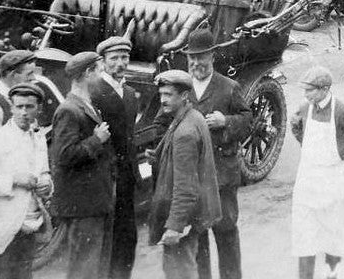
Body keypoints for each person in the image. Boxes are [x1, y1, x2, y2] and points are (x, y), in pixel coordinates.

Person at [290, 66, 344, 279]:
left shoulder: (342, 111)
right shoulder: (304, 108)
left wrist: (342, 150)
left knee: (333, 239)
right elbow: (298, 131)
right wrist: (299, 133)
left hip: (332, 180)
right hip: (307, 179)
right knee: (304, 240)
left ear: (324, 89)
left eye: (310, 90)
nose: (306, 95)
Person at [0, 82, 53, 279]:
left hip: (27, 229)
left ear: (38, 109)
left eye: (29, 107)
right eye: (19, 106)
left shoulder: (38, 139)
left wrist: (47, 182)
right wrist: (13, 180)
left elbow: (44, 171)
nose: (23, 112)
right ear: (11, 107)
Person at [185, 30, 251, 279]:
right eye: (191, 58)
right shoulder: (183, 87)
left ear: (212, 56)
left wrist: (226, 121)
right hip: (194, 175)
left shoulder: (228, 87)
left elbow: (248, 121)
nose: (196, 63)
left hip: (222, 174)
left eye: (201, 57)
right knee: (198, 235)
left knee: (226, 231)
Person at [150, 70, 222, 279]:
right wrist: (162, 156)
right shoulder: (193, 116)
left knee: (179, 271)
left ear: (184, 96)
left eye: (168, 95)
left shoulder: (185, 133)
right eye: (161, 94)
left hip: (184, 217)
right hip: (196, 213)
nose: (162, 100)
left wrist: (174, 227)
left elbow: (185, 188)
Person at [49, 51, 114, 279]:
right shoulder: (68, 110)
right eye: (100, 71)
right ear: (87, 73)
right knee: (83, 270)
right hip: (83, 206)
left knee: (94, 269)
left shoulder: (86, 105)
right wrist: (97, 140)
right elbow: (64, 156)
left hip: (94, 203)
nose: (103, 77)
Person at [93, 36, 140, 279]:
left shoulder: (130, 94)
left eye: (124, 58)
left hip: (126, 175)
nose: (120, 63)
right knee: (107, 240)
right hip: (106, 176)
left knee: (127, 237)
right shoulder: (95, 91)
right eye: (114, 59)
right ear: (102, 62)